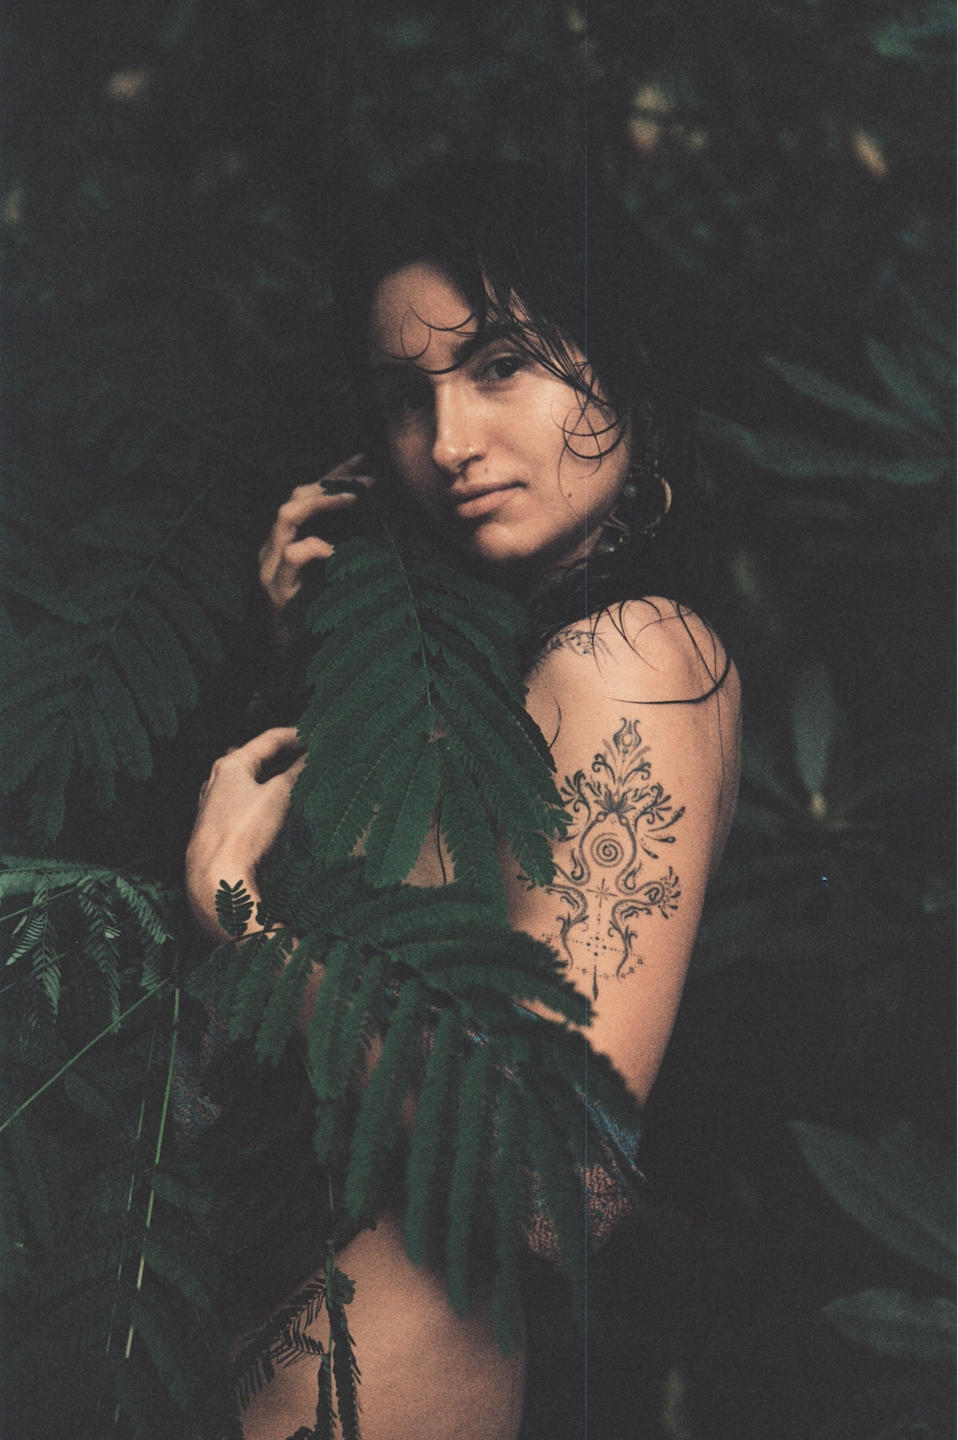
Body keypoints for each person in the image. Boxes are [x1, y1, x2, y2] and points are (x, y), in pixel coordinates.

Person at [185, 161, 741, 1440]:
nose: (444, 443)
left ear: (623, 368)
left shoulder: (631, 660)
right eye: (401, 398)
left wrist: (244, 928)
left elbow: (563, 1183)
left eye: (498, 365)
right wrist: (302, 661)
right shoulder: (496, 670)